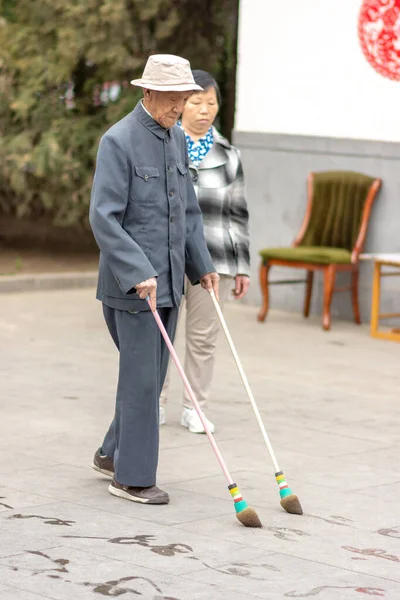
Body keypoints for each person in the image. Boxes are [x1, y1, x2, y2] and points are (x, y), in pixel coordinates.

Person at [89, 55, 220, 505]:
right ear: (147, 93)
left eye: (184, 99)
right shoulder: (118, 141)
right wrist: (135, 269)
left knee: (149, 373)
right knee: (144, 380)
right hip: (132, 287)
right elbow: (103, 218)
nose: (179, 107)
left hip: (168, 284)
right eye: (172, 99)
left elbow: (187, 213)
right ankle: (132, 477)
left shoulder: (176, 140)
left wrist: (201, 265)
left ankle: (112, 453)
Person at [160, 70, 250, 434]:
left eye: (211, 103)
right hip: (166, 256)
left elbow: (238, 213)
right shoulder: (164, 144)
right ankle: (155, 403)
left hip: (214, 260)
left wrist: (241, 265)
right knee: (161, 333)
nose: (204, 110)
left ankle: (194, 407)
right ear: (181, 105)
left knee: (203, 336)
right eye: (196, 102)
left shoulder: (229, 155)